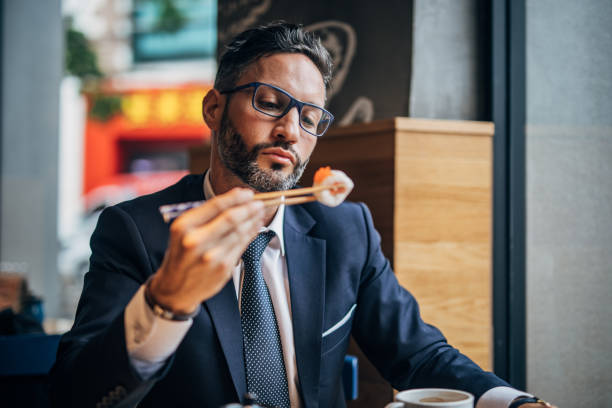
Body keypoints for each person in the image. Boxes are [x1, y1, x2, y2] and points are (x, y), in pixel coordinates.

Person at [50, 22, 555, 408]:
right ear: (213, 109)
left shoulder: (346, 229)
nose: (292, 131)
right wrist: (165, 303)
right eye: (270, 103)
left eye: (310, 119)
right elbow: (77, 395)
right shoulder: (138, 231)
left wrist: (513, 402)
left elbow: (418, 355)